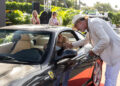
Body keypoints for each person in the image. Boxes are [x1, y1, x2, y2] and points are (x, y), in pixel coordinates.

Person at [64, 14, 120, 86]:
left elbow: (105, 40)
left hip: (115, 51)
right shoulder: (90, 26)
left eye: (76, 26)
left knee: (110, 78)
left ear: (80, 22)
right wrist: (71, 45)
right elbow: (85, 41)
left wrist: (94, 51)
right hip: (112, 52)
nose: (77, 29)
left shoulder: (94, 23)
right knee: (108, 76)